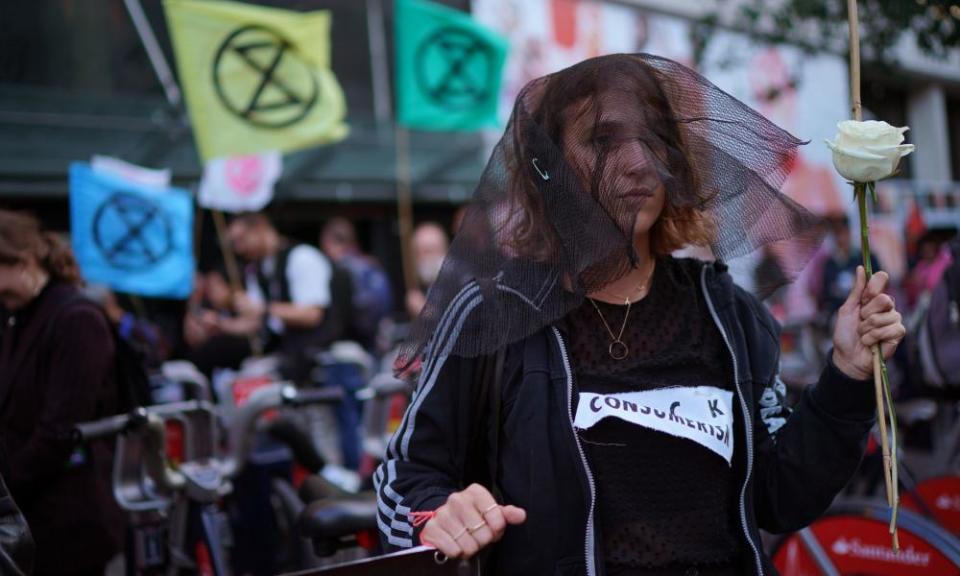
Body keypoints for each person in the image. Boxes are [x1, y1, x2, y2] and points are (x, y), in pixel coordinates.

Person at [375, 54, 906, 576]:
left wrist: (848, 376)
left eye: (654, 139)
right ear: (549, 168)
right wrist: (440, 517)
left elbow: (779, 498)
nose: (640, 162)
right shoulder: (490, 315)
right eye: (603, 141)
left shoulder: (725, 314)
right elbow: (406, 478)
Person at [0, 210, 124, 575]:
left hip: (67, 520)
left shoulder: (77, 319)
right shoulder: (18, 315)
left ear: (22, 261)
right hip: (31, 513)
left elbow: (60, 430)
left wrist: (9, 497)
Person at [227, 213, 334, 380]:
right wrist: (221, 325)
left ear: (260, 229)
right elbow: (254, 322)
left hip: (318, 359)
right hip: (284, 356)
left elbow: (312, 314)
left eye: (242, 239)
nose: (239, 249)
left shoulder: (302, 257)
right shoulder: (258, 270)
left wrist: (264, 309)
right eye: (234, 243)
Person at [320, 217, 394, 349]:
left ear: (328, 242)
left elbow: (338, 317)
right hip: (380, 339)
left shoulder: (341, 269)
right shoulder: (372, 264)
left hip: (354, 343)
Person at [405, 222, 449, 318]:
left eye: (428, 251)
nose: (422, 258)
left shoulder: (458, 283)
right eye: (417, 252)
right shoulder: (428, 284)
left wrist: (425, 312)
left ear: (444, 251)